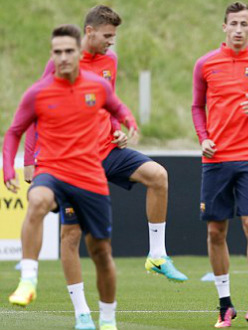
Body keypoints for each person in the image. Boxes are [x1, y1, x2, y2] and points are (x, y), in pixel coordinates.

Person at [21, 5, 187, 329]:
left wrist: (116, 126)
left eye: (114, 36)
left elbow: (105, 98)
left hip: (108, 150)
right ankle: (82, 312)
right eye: (108, 36)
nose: (112, 42)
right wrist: (30, 160)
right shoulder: (62, 62)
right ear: (89, 32)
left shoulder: (109, 60)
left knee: (158, 176)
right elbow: (35, 111)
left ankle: (156, 255)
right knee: (71, 237)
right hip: (75, 162)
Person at [4, 24, 136, 330]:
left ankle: (107, 319)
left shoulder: (97, 87)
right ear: (52, 55)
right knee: (37, 201)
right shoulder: (38, 93)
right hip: (52, 170)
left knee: (101, 253)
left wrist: (127, 122)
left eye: (68, 51)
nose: (63, 57)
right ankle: (28, 279)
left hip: (90, 176)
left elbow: (116, 107)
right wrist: (11, 167)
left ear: (79, 52)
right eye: (57, 52)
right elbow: (14, 132)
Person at [191, 2, 248, 327]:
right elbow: (196, 107)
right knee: (216, 231)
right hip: (215, 159)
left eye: (245, 23)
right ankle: (224, 304)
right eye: (234, 23)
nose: (239, 29)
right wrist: (202, 136)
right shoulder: (205, 64)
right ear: (225, 27)